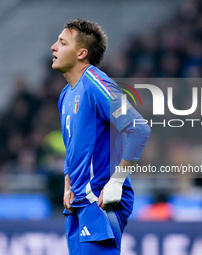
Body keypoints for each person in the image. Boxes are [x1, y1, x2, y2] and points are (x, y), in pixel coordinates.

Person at [51, 19, 150, 255]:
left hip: (101, 200)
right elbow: (74, 145)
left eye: (62, 42)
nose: (53, 47)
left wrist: (116, 181)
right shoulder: (66, 95)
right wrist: (68, 182)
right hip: (78, 201)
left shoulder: (96, 82)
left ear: (81, 53)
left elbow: (138, 127)